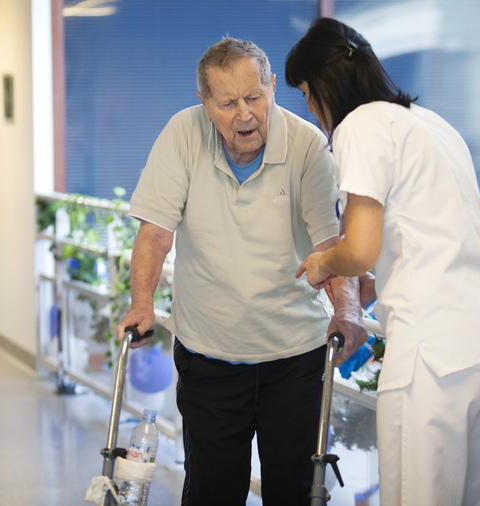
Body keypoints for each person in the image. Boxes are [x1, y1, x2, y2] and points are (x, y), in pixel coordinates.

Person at [116, 37, 367, 505]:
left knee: (292, 490)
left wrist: (348, 310)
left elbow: (332, 244)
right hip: (210, 353)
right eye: (228, 102)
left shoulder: (308, 146)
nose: (244, 114)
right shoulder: (183, 133)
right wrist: (142, 305)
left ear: (273, 87)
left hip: (294, 354)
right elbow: (155, 232)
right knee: (212, 489)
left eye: (254, 97)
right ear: (205, 103)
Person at [287, 18, 480, 506]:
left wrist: (322, 263)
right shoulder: (432, 123)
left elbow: (359, 248)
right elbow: (434, 237)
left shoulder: (361, 126)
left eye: (306, 94)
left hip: (433, 360)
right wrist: (380, 283)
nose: (310, 109)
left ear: (321, 88)